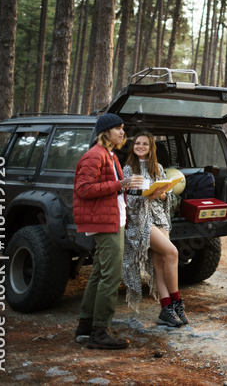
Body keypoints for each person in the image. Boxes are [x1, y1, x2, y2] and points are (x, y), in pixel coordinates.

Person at [73, 113, 143, 350]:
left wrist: (128, 187)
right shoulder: (95, 155)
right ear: (105, 132)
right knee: (111, 276)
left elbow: (111, 189)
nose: (123, 132)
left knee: (100, 272)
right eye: (118, 128)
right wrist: (119, 185)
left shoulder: (110, 155)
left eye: (123, 128)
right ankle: (100, 331)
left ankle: (86, 326)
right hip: (104, 223)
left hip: (113, 219)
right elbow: (83, 189)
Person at [122, 132, 188, 327]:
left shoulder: (158, 168)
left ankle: (165, 309)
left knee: (159, 262)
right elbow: (130, 202)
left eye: (145, 144)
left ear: (151, 148)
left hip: (160, 218)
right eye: (137, 143)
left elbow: (167, 199)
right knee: (172, 252)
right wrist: (150, 196)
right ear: (133, 146)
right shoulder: (128, 170)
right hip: (141, 221)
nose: (140, 146)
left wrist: (161, 194)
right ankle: (176, 303)